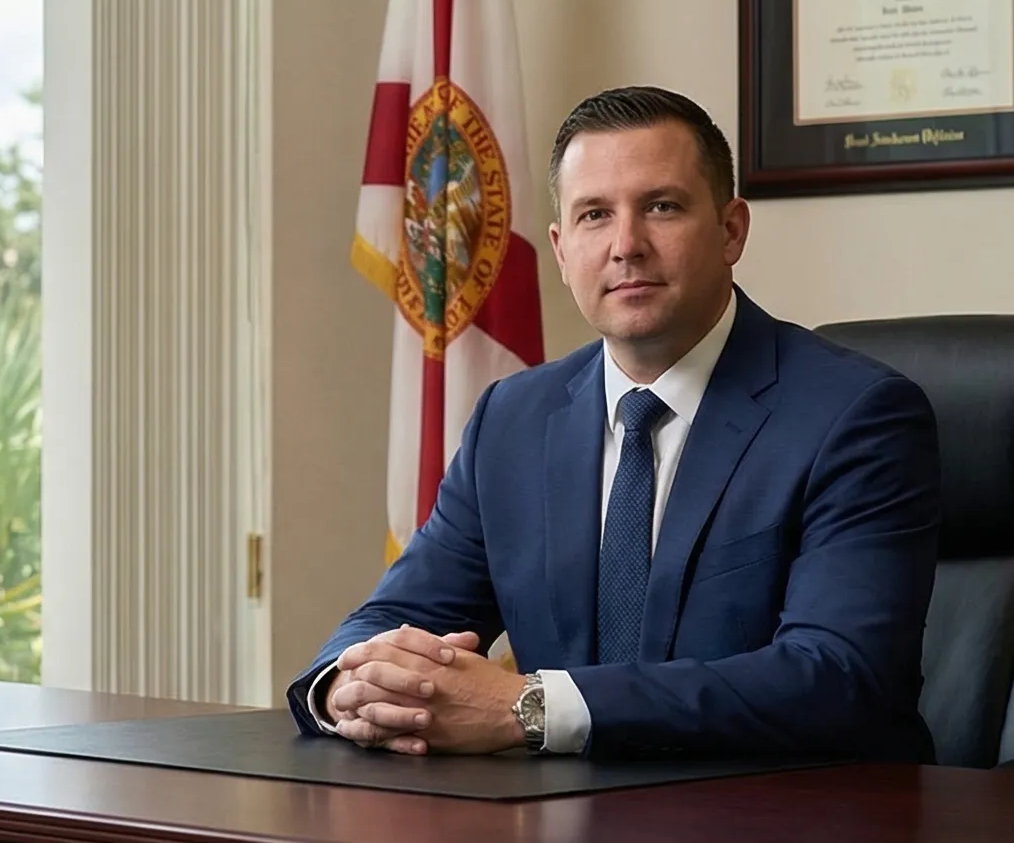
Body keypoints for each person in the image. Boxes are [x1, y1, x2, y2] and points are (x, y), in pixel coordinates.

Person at [288, 85, 941, 760]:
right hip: (562, 833)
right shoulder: (513, 420)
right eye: (594, 215)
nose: (626, 245)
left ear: (731, 230)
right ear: (562, 249)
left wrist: (528, 707)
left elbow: (837, 676)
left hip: (793, 833)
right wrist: (351, 688)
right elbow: (392, 619)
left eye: (662, 207)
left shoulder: (855, 416)